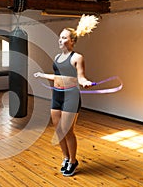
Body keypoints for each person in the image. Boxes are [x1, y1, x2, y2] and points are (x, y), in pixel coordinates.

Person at [34, 15, 99, 176]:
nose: (60, 40)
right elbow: (58, 76)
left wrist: (85, 82)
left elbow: (80, 76)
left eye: (64, 37)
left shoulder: (77, 57)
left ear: (72, 41)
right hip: (57, 95)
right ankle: (65, 157)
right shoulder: (57, 58)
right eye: (60, 37)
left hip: (71, 97)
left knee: (67, 131)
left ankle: (73, 161)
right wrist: (42, 75)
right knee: (58, 130)